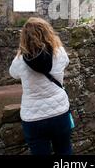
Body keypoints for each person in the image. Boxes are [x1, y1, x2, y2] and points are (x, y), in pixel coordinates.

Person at [9, 17, 73, 155]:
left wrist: (21, 52)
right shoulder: (59, 52)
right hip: (59, 111)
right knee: (64, 150)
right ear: (48, 33)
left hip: (33, 117)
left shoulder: (20, 60)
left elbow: (13, 73)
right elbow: (66, 62)